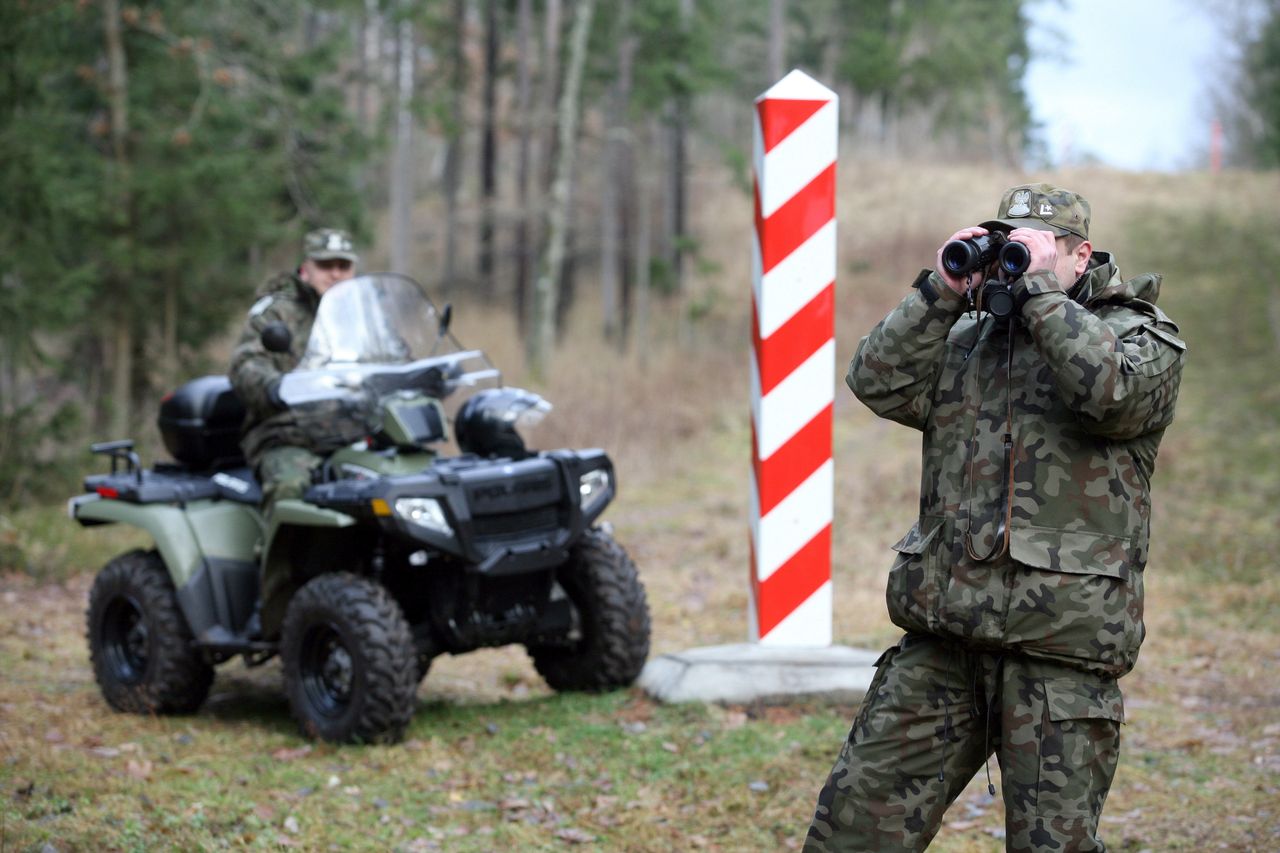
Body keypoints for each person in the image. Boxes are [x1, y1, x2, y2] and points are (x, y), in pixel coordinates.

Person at [805, 184, 1186, 851]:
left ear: (1080, 256)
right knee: (853, 831)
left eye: (1033, 250)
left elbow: (1112, 397)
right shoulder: (969, 337)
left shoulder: (1140, 335)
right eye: (1006, 245)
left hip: (1061, 654)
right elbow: (878, 380)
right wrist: (943, 290)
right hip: (945, 639)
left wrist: (1038, 294)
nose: (1015, 261)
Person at [228, 227, 359, 635]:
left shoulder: (360, 313)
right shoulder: (276, 312)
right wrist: (271, 385)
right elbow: (245, 363)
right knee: (290, 490)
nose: (336, 274)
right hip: (287, 434)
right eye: (326, 266)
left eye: (344, 266)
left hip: (350, 431)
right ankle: (271, 606)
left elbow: (393, 354)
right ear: (306, 269)